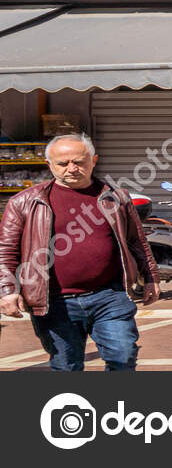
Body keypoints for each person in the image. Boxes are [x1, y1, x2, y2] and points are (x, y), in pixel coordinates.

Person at [0, 133, 159, 371]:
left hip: (109, 296)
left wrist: (151, 278)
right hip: (53, 301)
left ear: (93, 160)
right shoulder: (24, 202)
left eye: (79, 162)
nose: (72, 168)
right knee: (66, 367)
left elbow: (137, 242)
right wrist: (8, 290)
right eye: (63, 164)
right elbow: (6, 251)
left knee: (123, 356)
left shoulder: (116, 198)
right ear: (49, 165)